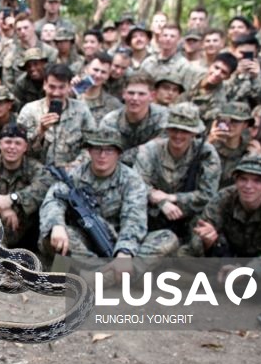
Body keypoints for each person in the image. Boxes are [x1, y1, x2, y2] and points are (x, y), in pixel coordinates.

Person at [39, 128, 179, 260]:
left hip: (118, 237)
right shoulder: (74, 175)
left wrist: (125, 251)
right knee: (57, 236)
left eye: (109, 150)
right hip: (84, 239)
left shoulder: (131, 180)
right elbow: (53, 200)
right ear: (89, 151)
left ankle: (100, 272)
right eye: (97, 149)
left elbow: (134, 219)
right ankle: (105, 273)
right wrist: (57, 225)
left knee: (168, 238)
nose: (102, 155)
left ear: (118, 153)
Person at [178, 153, 261, 279]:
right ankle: (229, 281)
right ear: (236, 180)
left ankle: (218, 282)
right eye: (243, 179)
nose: (248, 186)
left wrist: (248, 270)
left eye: (257, 181)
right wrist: (207, 242)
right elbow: (201, 231)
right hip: (231, 258)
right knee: (183, 255)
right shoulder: (225, 197)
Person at [134, 102, 221, 240]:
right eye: (174, 129)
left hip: (192, 215)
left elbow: (208, 195)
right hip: (153, 213)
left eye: (185, 131)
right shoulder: (150, 150)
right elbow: (136, 185)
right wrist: (160, 201)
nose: (178, 135)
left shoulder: (206, 153)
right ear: (167, 129)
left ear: (194, 133)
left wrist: (171, 198)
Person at [18, 63, 96, 167]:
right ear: (44, 85)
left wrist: (75, 166)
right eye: (52, 87)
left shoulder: (82, 111)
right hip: (37, 173)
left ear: (69, 86)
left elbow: (92, 144)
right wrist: (40, 131)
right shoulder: (29, 111)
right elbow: (19, 150)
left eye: (61, 87)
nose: (56, 93)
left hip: (72, 174)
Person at [99, 73, 169, 166]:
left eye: (141, 94)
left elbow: (162, 150)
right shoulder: (110, 121)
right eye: (131, 93)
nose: (135, 98)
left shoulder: (163, 116)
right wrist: (146, 147)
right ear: (123, 94)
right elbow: (108, 156)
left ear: (152, 96)